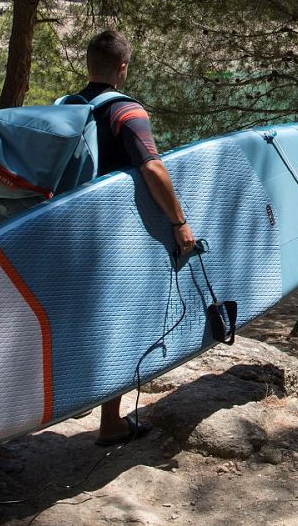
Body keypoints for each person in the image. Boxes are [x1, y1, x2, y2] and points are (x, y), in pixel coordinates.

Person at [74, 29, 197, 445]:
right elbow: (152, 168)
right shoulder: (126, 111)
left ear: (87, 63)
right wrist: (180, 224)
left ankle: (80, 394)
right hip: (112, 239)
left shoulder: (67, 106)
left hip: (69, 232)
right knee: (123, 324)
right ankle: (111, 421)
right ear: (122, 69)